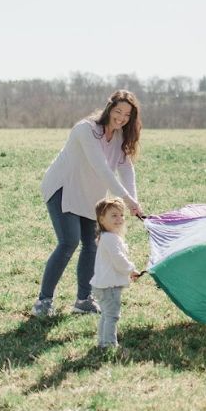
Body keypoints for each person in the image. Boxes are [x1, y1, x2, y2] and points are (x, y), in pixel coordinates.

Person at [33, 90, 145, 317]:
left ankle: (83, 301)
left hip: (90, 195)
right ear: (109, 108)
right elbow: (101, 168)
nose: (121, 118)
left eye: (126, 115)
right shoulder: (86, 130)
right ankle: (43, 302)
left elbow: (125, 168)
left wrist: (134, 200)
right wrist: (126, 199)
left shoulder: (121, 136)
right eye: (118, 111)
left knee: (92, 244)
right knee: (68, 242)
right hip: (63, 188)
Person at [90, 197, 143, 349]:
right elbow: (118, 260)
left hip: (102, 284)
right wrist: (131, 269)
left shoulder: (107, 238)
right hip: (109, 286)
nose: (119, 219)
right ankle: (109, 344)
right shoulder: (110, 239)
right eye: (114, 215)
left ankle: (102, 341)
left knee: (106, 315)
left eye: (121, 215)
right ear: (101, 219)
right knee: (112, 315)